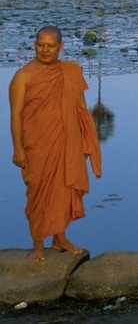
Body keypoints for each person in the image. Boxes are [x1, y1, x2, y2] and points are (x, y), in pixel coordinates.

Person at [8, 26, 102, 262]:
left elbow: (80, 110)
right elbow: (16, 114)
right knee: (37, 192)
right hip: (36, 144)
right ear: (34, 45)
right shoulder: (23, 76)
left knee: (62, 188)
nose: (45, 50)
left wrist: (82, 143)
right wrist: (18, 149)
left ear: (60, 47)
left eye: (51, 46)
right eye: (41, 45)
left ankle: (59, 238)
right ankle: (38, 243)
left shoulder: (70, 72)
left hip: (66, 140)